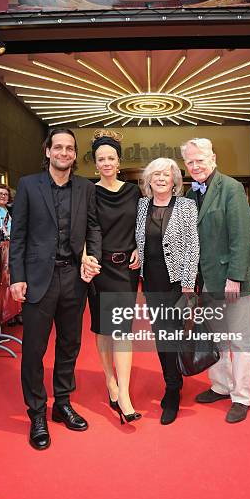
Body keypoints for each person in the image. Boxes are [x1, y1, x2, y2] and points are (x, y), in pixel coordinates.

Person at [9, 128, 102, 451]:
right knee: (34, 350)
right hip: (37, 280)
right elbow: (18, 235)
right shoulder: (28, 185)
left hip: (74, 280)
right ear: (47, 151)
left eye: (70, 149)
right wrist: (16, 276)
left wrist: (93, 258)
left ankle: (62, 403)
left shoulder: (85, 188)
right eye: (58, 147)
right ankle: (37, 412)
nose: (64, 153)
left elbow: (93, 227)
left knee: (69, 344)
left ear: (75, 155)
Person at [181, 138, 250, 424]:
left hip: (231, 280)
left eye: (200, 159)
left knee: (239, 339)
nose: (196, 165)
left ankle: (241, 396)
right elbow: (190, 243)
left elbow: (241, 236)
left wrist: (235, 277)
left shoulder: (232, 188)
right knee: (217, 336)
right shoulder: (189, 197)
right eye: (190, 161)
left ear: (212, 157)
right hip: (208, 282)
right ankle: (222, 385)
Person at [83, 129, 141, 425]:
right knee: (104, 329)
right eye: (101, 158)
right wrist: (84, 257)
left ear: (119, 162)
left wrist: (140, 250)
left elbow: (143, 227)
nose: (106, 162)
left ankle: (126, 395)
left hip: (126, 271)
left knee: (123, 330)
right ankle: (110, 382)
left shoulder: (134, 192)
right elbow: (80, 229)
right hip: (99, 269)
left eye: (111, 158)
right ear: (95, 164)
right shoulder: (88, 191)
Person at [136, 158, 199, 425]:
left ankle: (172, 390)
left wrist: (188, 280)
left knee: (170, 334)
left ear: (174, 180)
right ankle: (172, 382)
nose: (161, 178)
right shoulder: (142, 205)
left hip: (176, 282)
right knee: (161, 335)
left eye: (166, 174)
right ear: (149, 180)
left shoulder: (186, 205)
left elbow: (192, 245)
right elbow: (136, 237)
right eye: (155, 174)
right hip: (151, 281)